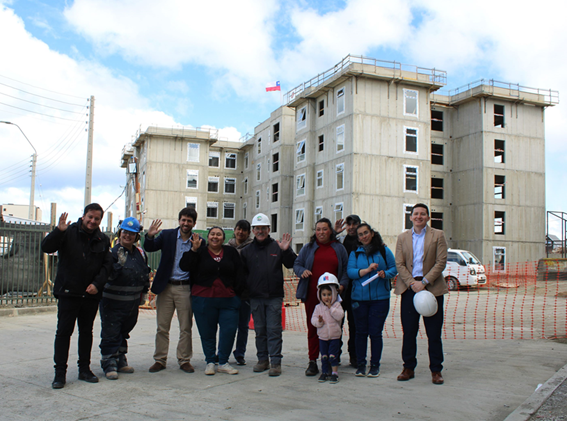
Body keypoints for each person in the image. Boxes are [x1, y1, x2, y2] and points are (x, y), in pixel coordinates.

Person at [41, 203, 112, 389]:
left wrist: (97, 285)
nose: (92, 221)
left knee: (86, 333)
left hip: (90, 295)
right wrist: (58, 231)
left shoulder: (103, 239)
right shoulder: (68, 232)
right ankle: (60, 374)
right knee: (64, 333)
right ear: (83, 216)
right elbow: (46, 247)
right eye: (90, 217)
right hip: (68, 293)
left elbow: (107, 266)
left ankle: (84, 370)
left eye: (97, 218)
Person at [143, 207, 205, 374]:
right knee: (162, 327)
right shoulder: (167, 235)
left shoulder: (198, 241)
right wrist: (150, 235)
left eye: (189, 221)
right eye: (183, 220)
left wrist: (196, 249)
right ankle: (160, 359)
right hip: (166, 287)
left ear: (194, 223)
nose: (185, 223)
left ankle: (184, 360)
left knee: (185, 327)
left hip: (185, 288)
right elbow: (150, 248)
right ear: (179, 221)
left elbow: (200, 265)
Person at [395, 203, 448, 385]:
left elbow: (441, 262)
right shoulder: (402, 238)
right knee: (409, 331)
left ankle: (436, 370)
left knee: (434, 332)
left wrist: (424, 282)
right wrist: (412, 283)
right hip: (409, 289)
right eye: (415, 214)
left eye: (422, 214)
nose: (419, 217)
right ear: (411, 217)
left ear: (427, 217)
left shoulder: (438, 236)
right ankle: (408, 367)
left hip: (432, 288)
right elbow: (399, 263)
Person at [179, 227, 244, 375]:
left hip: (228, 299)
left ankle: (223, 362)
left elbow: (240, 273)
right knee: (207, 332)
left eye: (219, 234)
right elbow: (184, 266)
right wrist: (193, 250)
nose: (215, 237)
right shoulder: (199, 251)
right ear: (208, 238)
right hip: (203, 299)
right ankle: (210, 361)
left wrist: (237, 294)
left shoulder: (231, 252)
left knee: (228, 331)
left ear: (223, 237)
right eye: (212, 234)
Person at [240, 213, 296, 377]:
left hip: (274, 296)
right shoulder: (246, 251)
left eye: (263, 228)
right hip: (255, 298)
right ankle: (262, 360)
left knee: (274, 330)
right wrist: (245, 296)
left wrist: (286, 251)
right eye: (257, 228)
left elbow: (291, 264)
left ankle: (275, 362)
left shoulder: (277, 247)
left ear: (269, 229)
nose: (260, 231)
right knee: (260, 331)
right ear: (253, 230)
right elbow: (242, 276)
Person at [294, 217, 349, 377]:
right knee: (314, 326)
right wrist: (301, 271)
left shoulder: (339, 248)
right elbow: (297, 263)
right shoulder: (308, 248)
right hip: (312, 295)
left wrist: (342, 285)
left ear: (330, 231)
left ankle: (333, 359)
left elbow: (345, 269)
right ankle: (313, 361)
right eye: (318, 229)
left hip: (334, 297)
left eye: (324, 229)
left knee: (335, 327)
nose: (321, 232)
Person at [99, 217, 150, 380]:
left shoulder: (140, 254)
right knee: (111, 332)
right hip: (112, 303)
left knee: (124, 331)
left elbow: (144, 274)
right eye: (125, 232)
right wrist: (117, 265)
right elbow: (107, 276)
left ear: (136, 237)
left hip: (131, 303)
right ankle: (109, 363)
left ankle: (120, 359)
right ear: (120, 233)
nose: (128, 236)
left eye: (132, 234)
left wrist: (144, 292)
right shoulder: (112, 253)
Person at [347, 223, 397, 377]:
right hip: (359, 300)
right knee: (360, 332)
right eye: (360, 234)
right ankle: (361, 365)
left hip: (380, 299)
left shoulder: (384, 250)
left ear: (372, 233)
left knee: (375, 333)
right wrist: (366, 270)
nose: (364, 236)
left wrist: (385, 274)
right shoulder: (355, 253)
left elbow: (394, 269)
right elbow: (350, 272)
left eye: (366, 233)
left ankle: (375, 365)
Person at [334, 214, 361, 367]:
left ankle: (355, 356)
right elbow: (324, 240)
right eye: (348, 224)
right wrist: (334, 232)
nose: (351, 227)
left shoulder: (364, 242)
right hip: (341, 291)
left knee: (355, 326)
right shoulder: (340, 241)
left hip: (357, 293)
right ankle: (335, 355)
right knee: (336, 325)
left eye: (354, 224)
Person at [227, 219, 254, 366]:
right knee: (227, 324)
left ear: (248, 233)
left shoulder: (252, 248)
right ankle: (223, 351)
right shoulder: (227, 247)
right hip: (229, 293)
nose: (240, 232)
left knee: (243, 326)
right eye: (238, 229)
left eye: (244, 230)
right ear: (235, 230)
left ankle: (240, 353)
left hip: (245, 294)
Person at [310, 273, 344, 384]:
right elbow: (313, 320)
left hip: (334, 336)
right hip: (323, 337)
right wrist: (319, 322)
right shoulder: (318, 307)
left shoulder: (337, 306)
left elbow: (340, 316)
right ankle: (324, 372)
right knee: (324, 356)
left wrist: (331, 308)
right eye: (324, 295)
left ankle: (334, 373)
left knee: (333, 356)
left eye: (329, 294)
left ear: (334, 294)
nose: (327, 297)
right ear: (320, 295)